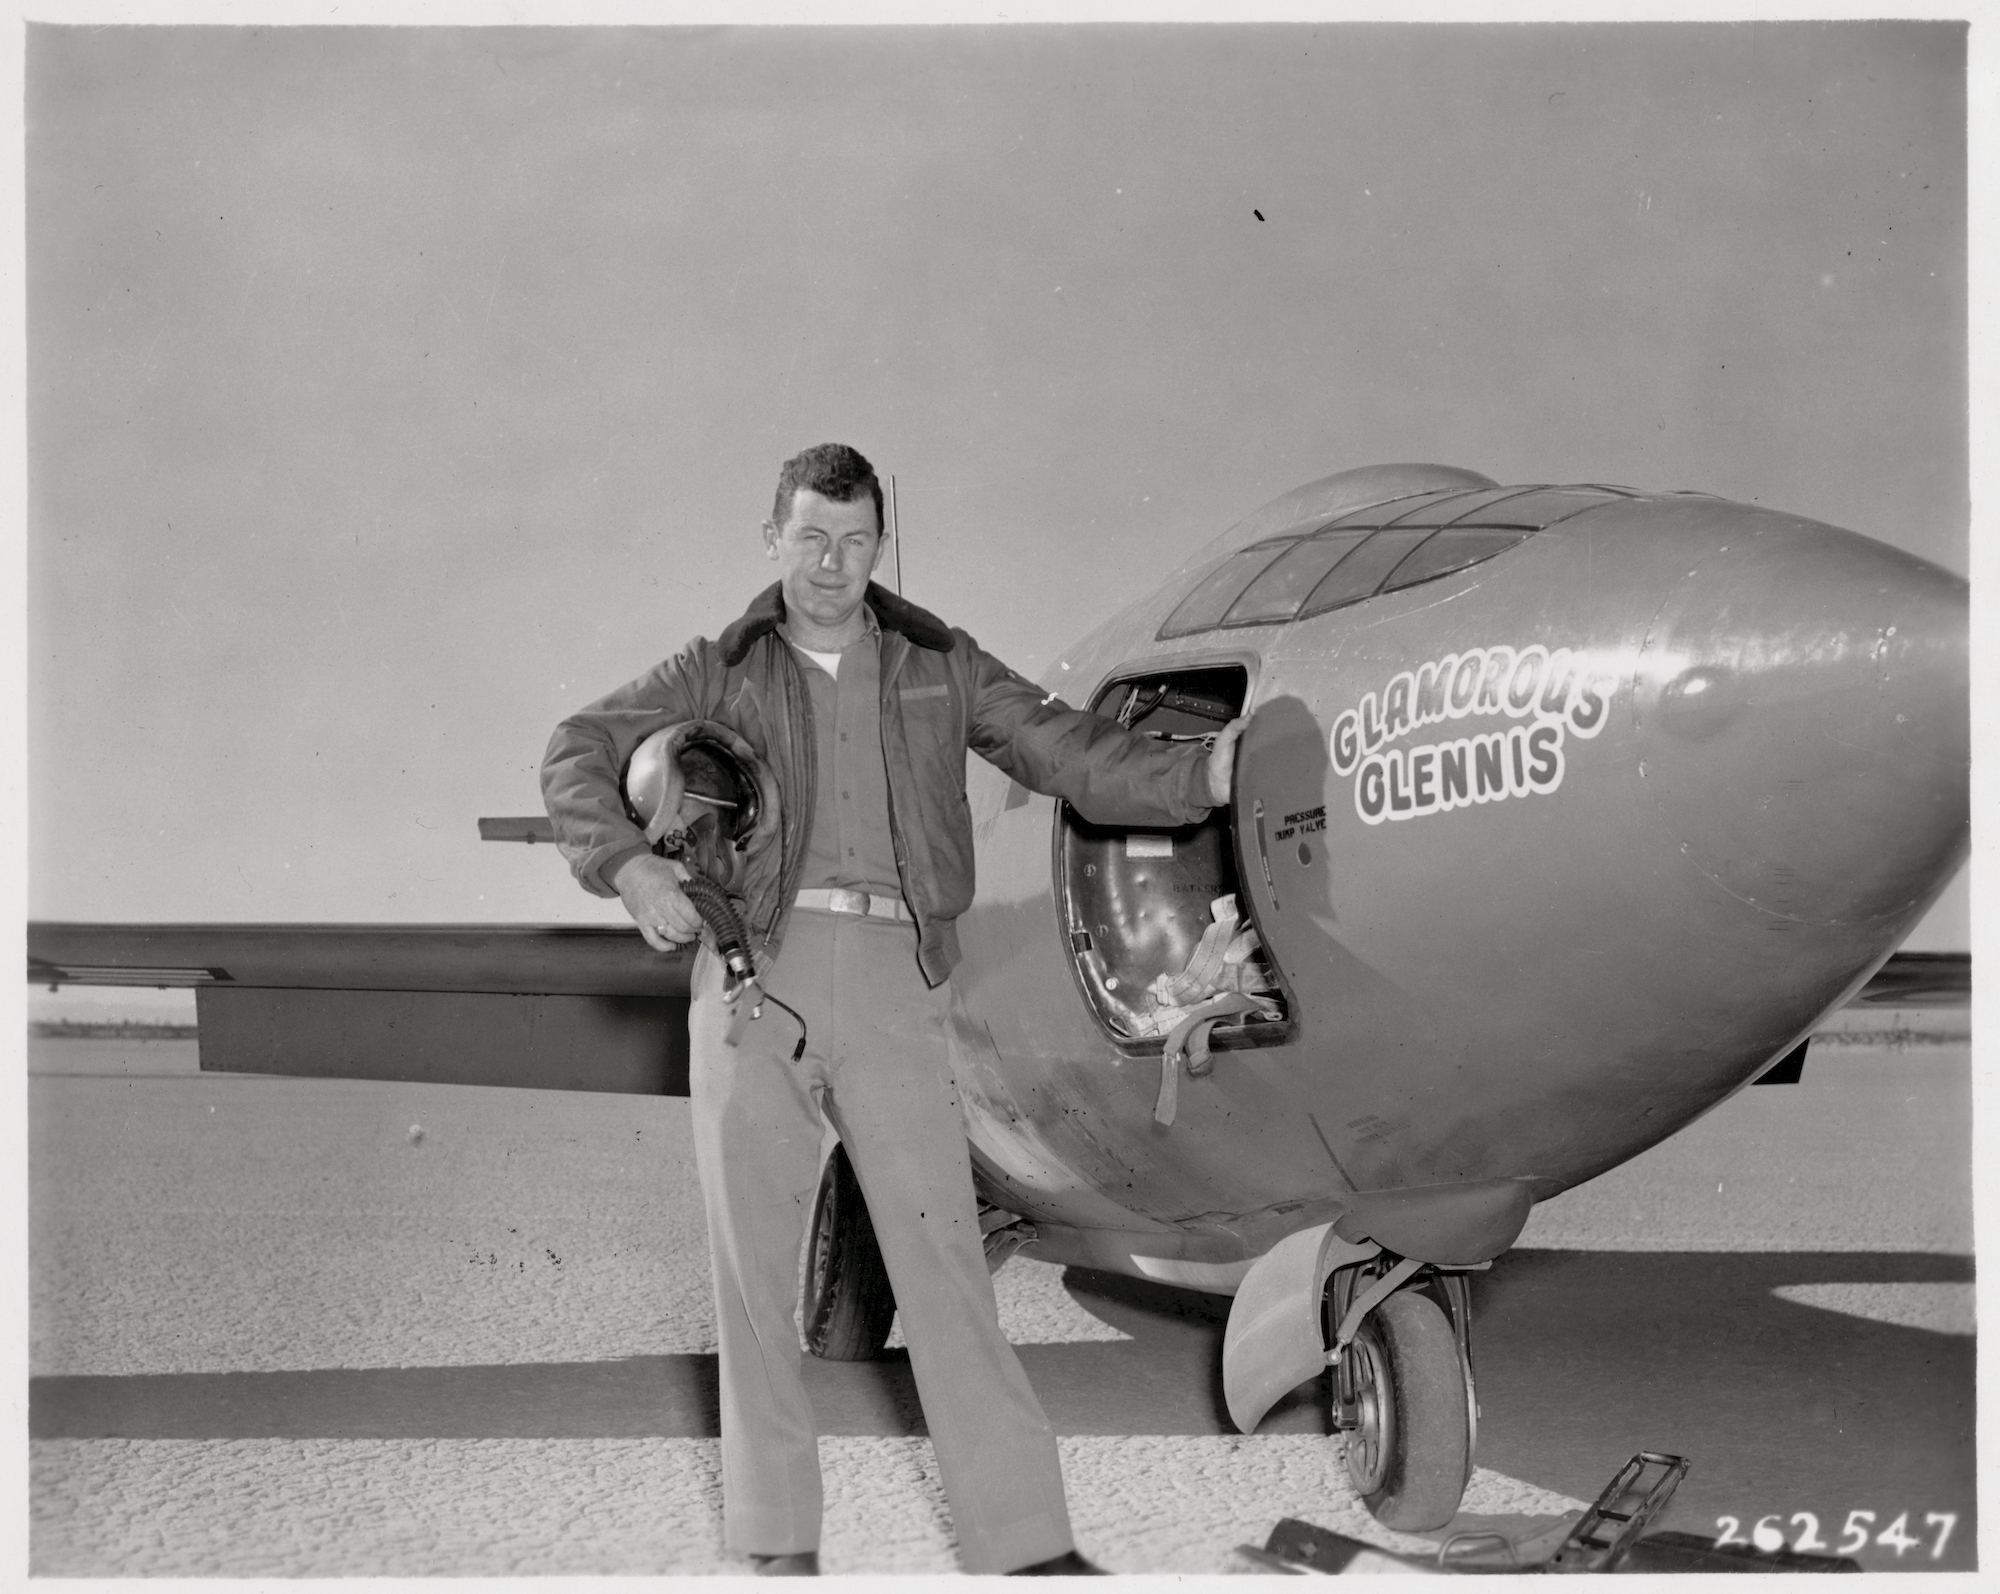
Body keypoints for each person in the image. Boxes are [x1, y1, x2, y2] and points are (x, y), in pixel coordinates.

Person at [542, 443, 1244, 1576]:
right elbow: (576, 751)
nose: (833, 563)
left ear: (881, 544)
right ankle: (776, 1547)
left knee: (946, 1276)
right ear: (773, 537)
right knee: (753, 1281)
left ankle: (1026, 1546)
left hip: (892, 984)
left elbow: (1069, 750)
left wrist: (1199, 779)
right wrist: (627, 868)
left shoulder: (938, 663)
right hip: (750, 978)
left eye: (856, 540)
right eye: (812, 538)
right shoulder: (715, 668)